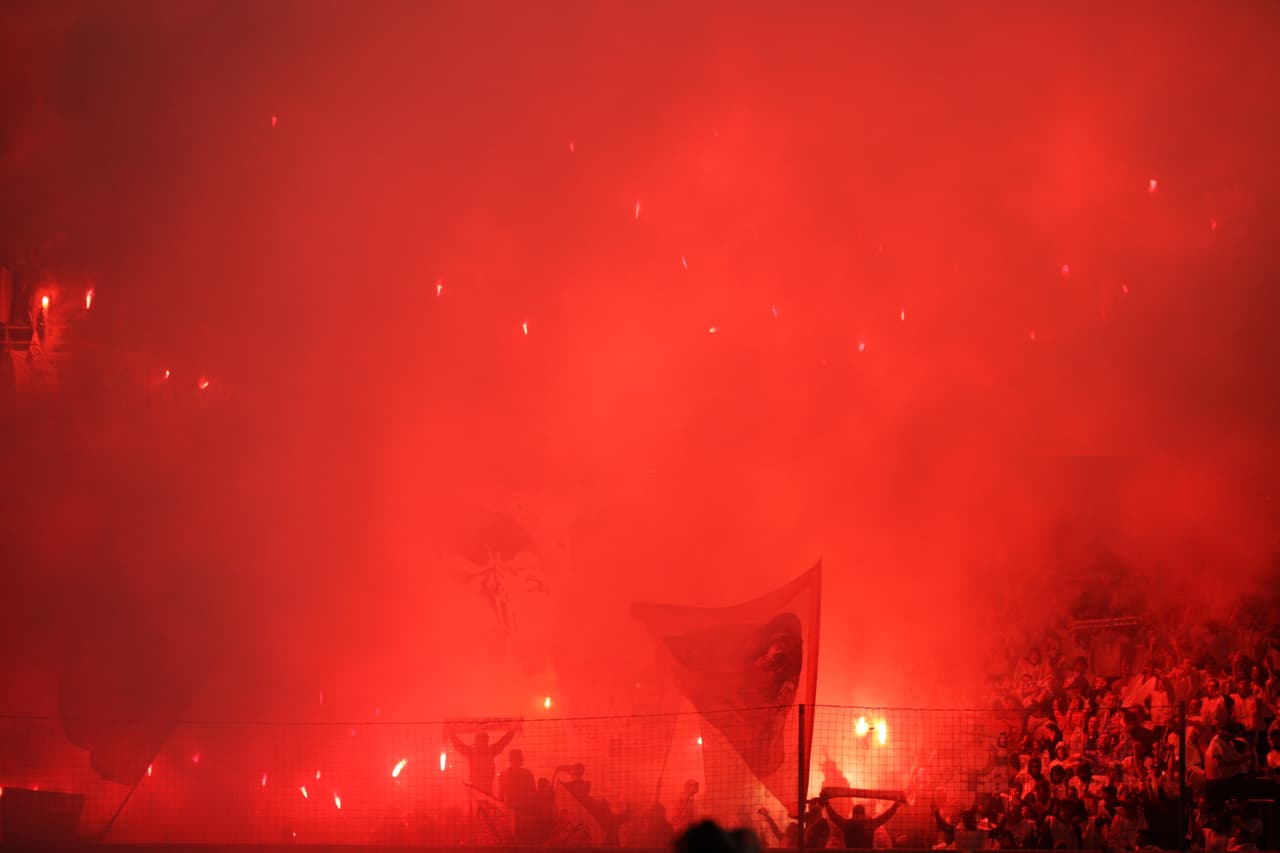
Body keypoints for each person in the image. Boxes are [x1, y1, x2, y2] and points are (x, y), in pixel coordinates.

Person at [446, 720, 521, 796]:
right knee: (486, 804)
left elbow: (458, 745)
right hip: (484, 787)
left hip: (477, 788)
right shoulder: (489, 751)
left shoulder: (472, 752)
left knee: (479, 804)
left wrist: (451, 734)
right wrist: (512, 731)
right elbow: (503, 742)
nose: (483, 742)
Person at [821, 792, 903, 849]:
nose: (857, 817)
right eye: (856, 814)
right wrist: (826, 803)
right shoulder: (865, 825)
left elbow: (885, 816)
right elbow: (834, 817)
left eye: (858, 814)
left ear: (863, 815)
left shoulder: (850, 825)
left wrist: (896, 805)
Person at [497, 748, 537, 843]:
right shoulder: (528, 774)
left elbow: (500, 796)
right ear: (520, 759)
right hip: (524, 810)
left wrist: (501, 812)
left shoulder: (503, 775)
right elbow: (533, 794)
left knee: (512, 838)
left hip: (511, 810)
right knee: (524, 839)